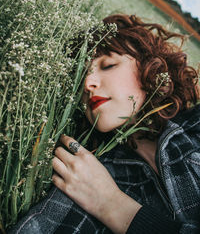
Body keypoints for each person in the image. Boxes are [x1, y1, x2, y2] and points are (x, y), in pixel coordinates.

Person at [9, 14, 200, 234]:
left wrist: (110, 204)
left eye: (108, 65)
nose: (88, 83)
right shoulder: (85, 174)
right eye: (81, 76)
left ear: (153, 68)